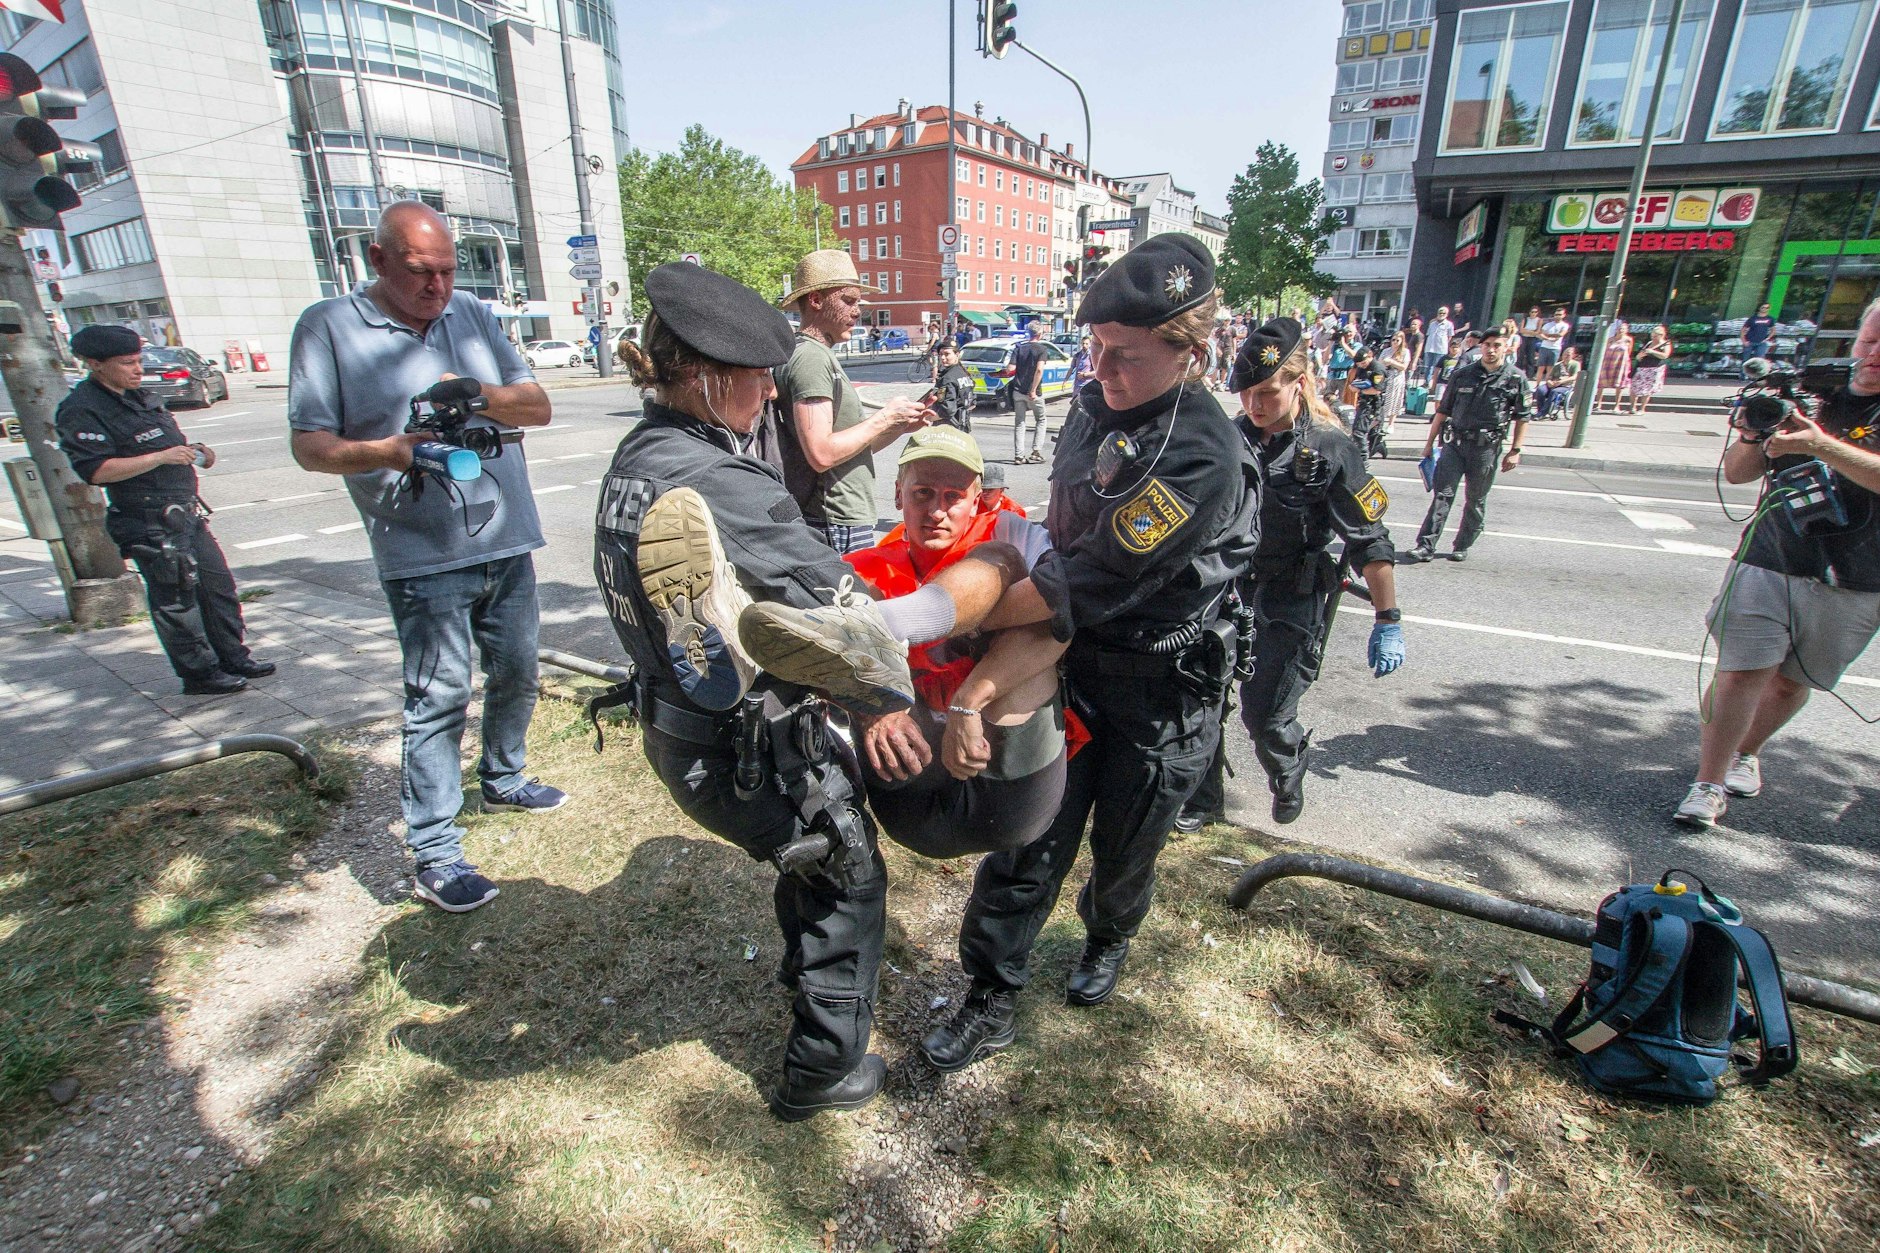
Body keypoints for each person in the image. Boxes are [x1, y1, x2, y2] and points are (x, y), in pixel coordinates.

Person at [740, 236, 1259, 1067]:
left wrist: (960, 629)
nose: (1100, 368)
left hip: (1161, 685)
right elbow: (1056, 544)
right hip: (1068, 658)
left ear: (1188, 352)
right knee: (1030, 842)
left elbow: (1078, 586)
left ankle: (1109, 933)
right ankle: (991, 994)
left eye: (1124, 355)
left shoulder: (1201, 454)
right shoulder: (1094, 406)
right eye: (1095, 346)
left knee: (1127, 845)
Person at [591, 262, 916, 1121]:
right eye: (759, 377)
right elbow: (841, 599)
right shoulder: (721, 482)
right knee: (846, 865)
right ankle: (823, 1069)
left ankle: (802, 972)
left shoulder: (639, 456)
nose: (771, 392)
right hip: (743, 746)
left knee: (802, 852)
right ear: (707, 377)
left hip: (672, 731)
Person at [287, 202, 565, 915]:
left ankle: (503, 777)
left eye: (446, 270)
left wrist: (476, 396)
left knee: (518, 670)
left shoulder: (470, 313)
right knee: (439, 696)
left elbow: (536, 407)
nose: (437, 286)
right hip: (420, 550)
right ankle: (436, 852)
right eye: (420, 272)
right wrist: (390, 451)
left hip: (507, 537)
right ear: (377, 260)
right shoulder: (328, 326)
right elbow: (310, 446)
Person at [1178, 318, 1402, 832]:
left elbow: (1369, 538)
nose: (1254, 404)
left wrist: (1388, 618)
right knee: (1203, 697)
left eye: (1266, 393)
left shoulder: (1330, 447)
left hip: (1290, 595)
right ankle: (1203, 802)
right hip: (1229, 588)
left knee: (1266, 715)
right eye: (1246, 393)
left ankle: (1288, 765)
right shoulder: (1234, 437)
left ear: (1298, 384)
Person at [1675, 298, 1880, 829]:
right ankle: (1707, 783)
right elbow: (1739, 473)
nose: (1874, 353)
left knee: (1791, 681)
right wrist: (1752, 432)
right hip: (1771, 555)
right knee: (1740, 673)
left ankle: (1747, 751)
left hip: (1858, 576)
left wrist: (1820, 445)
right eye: (1869, 340)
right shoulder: (1805, 392)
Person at [846, 427, 1076, 863]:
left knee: (1006, 563)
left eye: (953, 496)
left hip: (1008, 794)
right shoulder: (867, 567)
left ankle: (908, 622)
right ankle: (887, 631)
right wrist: (873, 709)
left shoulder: (1010, 531)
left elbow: (1060, 620)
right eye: (923, 493)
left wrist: (967, 703)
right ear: (897, 495)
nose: (937, 511)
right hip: (912, 788)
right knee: (851, 597)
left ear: (976, 500)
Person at [55, 325, 274, 696]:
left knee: (217, 588)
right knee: (177, 599)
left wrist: (195, 452)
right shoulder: (82, 409)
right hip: (147, 520)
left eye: (138, 360)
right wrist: (160, 457)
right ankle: (200, 675)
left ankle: (233, 657)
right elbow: (97, 470)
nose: (138, 369)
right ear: (95, 364)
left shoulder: (141, 397)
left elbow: (167, 444)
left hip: (185, 513)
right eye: (127, 363)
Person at [770, 250, 932, 553]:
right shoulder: (811, 358)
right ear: (816, 300)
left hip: (841, 516)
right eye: (848, 301)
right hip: (833, 519)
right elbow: (821, 453)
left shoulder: (816, 354)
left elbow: (850, 449)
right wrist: (884, 417)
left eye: (858, 302)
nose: (857, 311)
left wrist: (898, 426)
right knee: (849, 587)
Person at [1404, 325, 1533, 564]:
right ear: (1480, 346)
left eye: (1497, 345)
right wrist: (1429, 444)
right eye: (1487, 345)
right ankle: (1426, 545)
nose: (1491, 350)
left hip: (1486, 449)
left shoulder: (1516, 378)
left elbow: (1522, 417)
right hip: (1455, 444)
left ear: (1506, 348)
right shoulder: (1463, 374)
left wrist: (1515, 450)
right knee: (1442, 495)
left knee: (1476, 499)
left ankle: (1462, 544)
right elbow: (1443, 411)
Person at [1009, 321, 1050, 464]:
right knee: (1041, 419)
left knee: (1020, 423)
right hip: (1034, 392)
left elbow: (1010, 368)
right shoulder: (1042, 349)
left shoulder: (1019, 348)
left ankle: (1019, 456)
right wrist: (1033, 390)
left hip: (1018, 390)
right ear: (1040, 334)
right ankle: (1036, 451)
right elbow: (1039, 370)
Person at [1625, 324, 1674, 415]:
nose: (1653, 338)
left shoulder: (1666, 344)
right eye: (1652, 336)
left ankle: (1642, 409)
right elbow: (1640, 353)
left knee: (1647, 390)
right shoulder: (1649, 343)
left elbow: (1665, 356)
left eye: (1655, 336)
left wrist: (1653, 351)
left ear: (1661, 335)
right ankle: (1632, 407)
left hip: (1654, 369)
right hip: (1641, 367)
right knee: (1633, 388)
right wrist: (1638, 356)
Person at [930, 338, 976, 432]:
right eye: (940, 354)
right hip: (963, 427)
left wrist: (927, 419)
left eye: (947, 354)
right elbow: (973, 403)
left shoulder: (948, 378)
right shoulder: (964, 373)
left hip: (947, 430)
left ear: (957, 355)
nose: (943, 357)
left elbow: (947, 410)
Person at [1379, 329, 1411, 442]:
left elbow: (1404, 367)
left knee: (1395, 399)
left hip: (1397, 378)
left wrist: (1392, 362)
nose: (1395, 342)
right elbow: (1379, 362)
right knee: (1384, 400)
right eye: (1393, 340)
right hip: (1386, 376)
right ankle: (1381, 421)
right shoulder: (1386, 351)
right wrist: (1385, 362)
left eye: (1397, 340)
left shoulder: (1405, 352)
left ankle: (1391, 423)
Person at [1596, 319, 1633, 412]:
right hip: (1607, 363)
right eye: (1619, 328)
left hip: (1621, 364)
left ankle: (1617, 406)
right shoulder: (1610, 339)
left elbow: (1629, 353)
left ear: (1626, 330)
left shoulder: (1629, 340)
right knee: (1601, 384)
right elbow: (1604, 350)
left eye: (1623, 329)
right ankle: (1598, 404)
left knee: (1619, 385)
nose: (1621, 330)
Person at [1536, 346, 1582, 419]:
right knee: (1540, 390)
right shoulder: (1557, 365)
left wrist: (1561, 381)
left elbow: (1574, 376)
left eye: (1568, 354)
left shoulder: (1575, 364)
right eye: (1564, 354)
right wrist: (1549, 382)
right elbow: (1549, 377)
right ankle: (1540, 410)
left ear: (1573, 355)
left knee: (1554, 392)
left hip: (1566, 385)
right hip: (1554, 383)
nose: (1566, 356)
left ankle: (1542, 413)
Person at [1536, 307, 1572, 381]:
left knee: (1551, 368)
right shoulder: (1548, 325)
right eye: (1556, 314)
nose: (1557, 316)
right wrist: (1547, 338)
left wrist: (1547, 335)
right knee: (1541, 367)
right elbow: (1541, 334)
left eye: (1560, 314)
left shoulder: (1564, 325)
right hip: (1544, 347)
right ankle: (1537, 384)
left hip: (1555, 348)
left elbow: (1561, 334)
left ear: (1564, 315)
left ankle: (1547, 383)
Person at [1741, 303, 1777, 375]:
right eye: (1763, 307)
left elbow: (1773, 330)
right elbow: (1743, 330)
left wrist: (1768, 338)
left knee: (1759, 361)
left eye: (1767, 308)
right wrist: (1744, 341)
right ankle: (1743, 375)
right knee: (1746, 360)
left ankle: (1756, 376)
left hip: (1761, 343)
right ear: (1759, 308)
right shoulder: (1753, 318)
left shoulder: (1770, 319)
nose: (1765, 309)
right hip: (1750, 341)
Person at [1422, 306, 1455, 384]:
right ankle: (1426, 383)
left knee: (1438, 368)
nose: (1441, 314)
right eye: (1440, 313)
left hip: (1441, 349)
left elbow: (1450, 336)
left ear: (1447, 314)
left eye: (1444, 313)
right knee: (1427, 367)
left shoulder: (1449, 324)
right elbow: (1428, 334)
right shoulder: (1432, 324)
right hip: (1429, 348)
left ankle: (1435, 384)